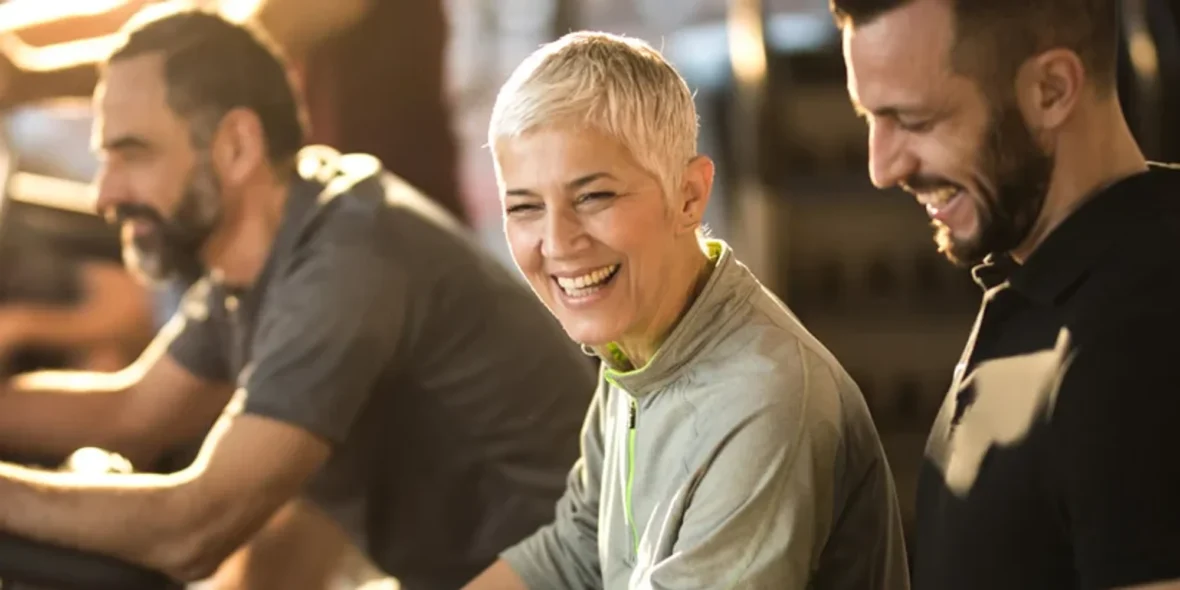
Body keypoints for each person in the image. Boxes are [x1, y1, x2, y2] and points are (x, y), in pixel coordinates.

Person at [0, 8, 597, 589]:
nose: (104, 193)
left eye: (133, 153)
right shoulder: (272, 241)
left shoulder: (345, 262)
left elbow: (192, 529)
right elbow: (131, 412)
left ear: (235, 146)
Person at [462, 31, 910, 590]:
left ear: (688, 197)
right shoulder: (637, 336)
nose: (556, 242)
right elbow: (576, 549)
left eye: (593, 197)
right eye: (525, 207)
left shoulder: (762, 397)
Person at [831, 0, 1180, 587]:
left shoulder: (1141, 343)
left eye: (915, 121)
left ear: (1050, 90)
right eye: (870, 118)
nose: (881, 168)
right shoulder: (1046, 285)